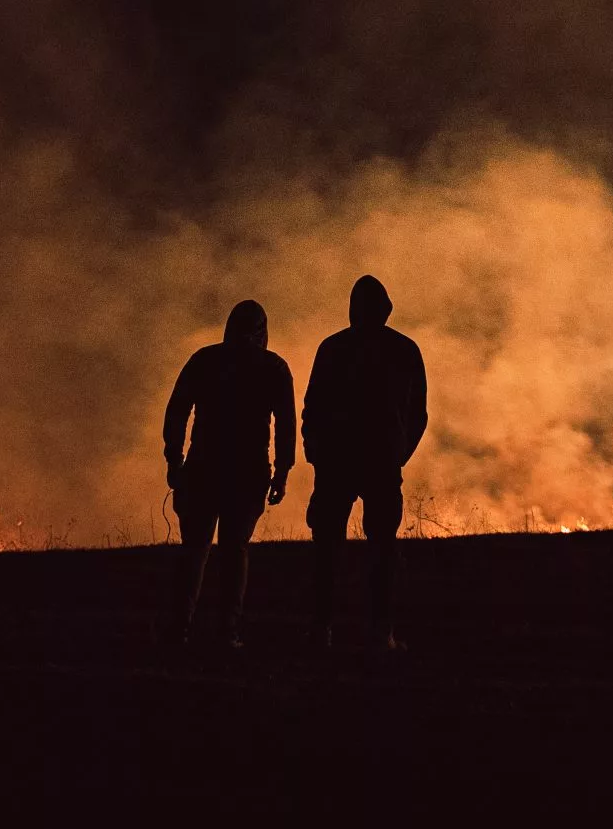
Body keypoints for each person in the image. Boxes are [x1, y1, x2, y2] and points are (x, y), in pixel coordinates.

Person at [161, 299, 295, 647]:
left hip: (203, 467)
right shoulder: (273, 367)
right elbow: (285, 426)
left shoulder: (205, 360)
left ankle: (179, 628)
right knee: (235, 550)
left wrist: (174, 459)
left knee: (195, 550)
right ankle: (227, 631)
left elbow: (177, 411)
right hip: (248, 472)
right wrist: (282, 472)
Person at [303, 274, 427, 649]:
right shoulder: (404, 349)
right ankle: (379, 632)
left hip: (338, 463)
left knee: (328, 549)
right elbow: (418, 415)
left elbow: (312, 407)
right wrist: (399, 453)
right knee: (382, 550)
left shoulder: (332, 348)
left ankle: (322, 629)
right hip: (379, 463)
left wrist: (316, 452)